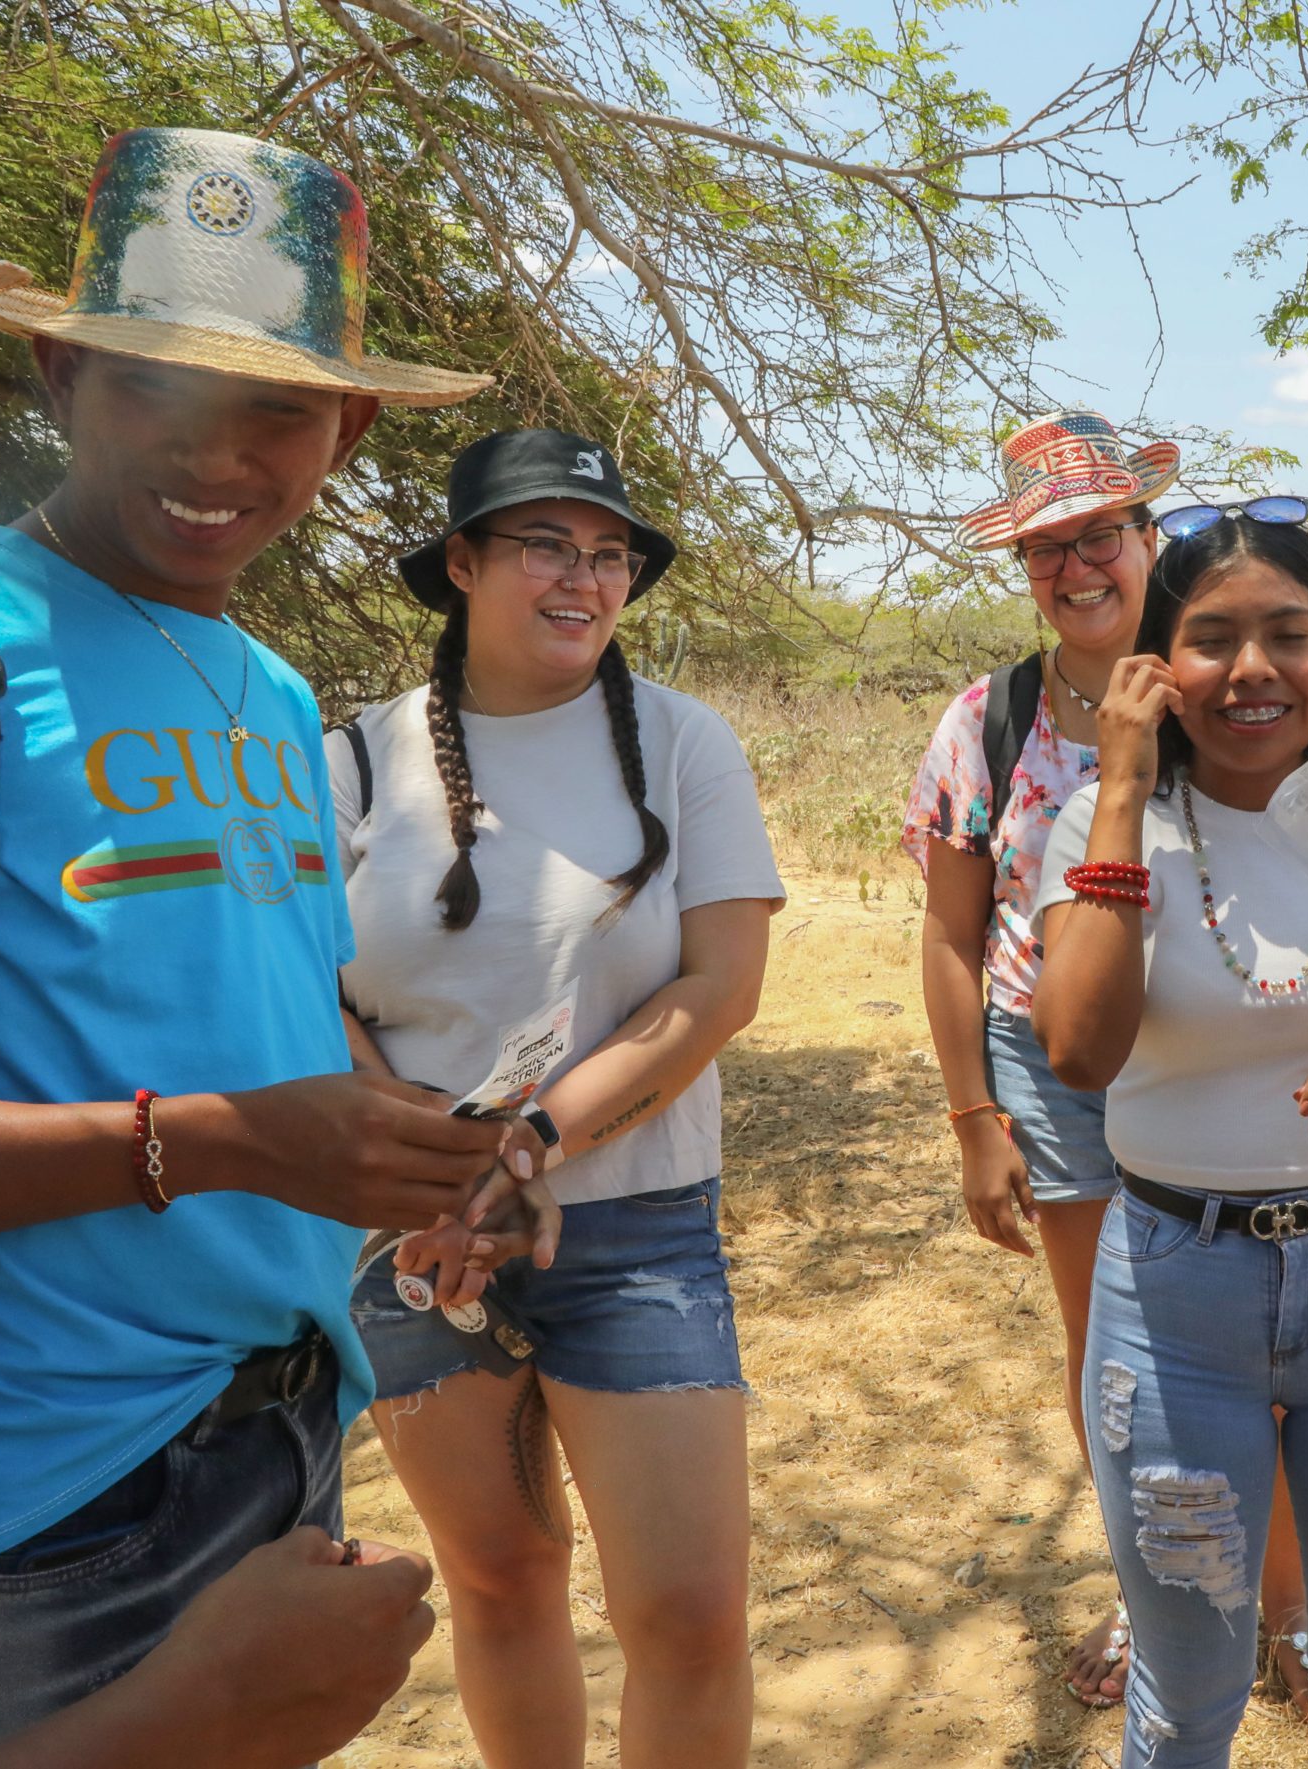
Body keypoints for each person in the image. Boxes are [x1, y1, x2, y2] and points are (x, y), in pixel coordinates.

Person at [0, 129, 509, 1757]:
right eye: (155, 388)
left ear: (349, 427)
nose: (216, 454)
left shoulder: (277, 691)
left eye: (278, 408)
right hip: (33, 1502)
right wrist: (217, 1145)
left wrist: (425, 1161)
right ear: (57, 373)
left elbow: (277, 1020)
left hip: (288, 1416)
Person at [330, 427, 783, 1769]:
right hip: (412, 1241)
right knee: (502, 1579)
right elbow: (309, 992)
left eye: (608, 554)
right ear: (461, 563)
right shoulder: (353, 761)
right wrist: (427, 1170)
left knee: (688, 1613)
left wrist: (530, 1147)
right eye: (544, 545)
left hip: (633, 1228)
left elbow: (719, 989)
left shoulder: (685, 747)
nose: (583, 578)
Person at [1028, 506, 1308, 1768]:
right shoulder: (1111, 827)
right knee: (1188, 1687)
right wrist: (1116, 786)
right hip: (1177, 1296)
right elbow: (1078, 1049)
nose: (1252, 670)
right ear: (1154, 665)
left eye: (1288, 634)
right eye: (1209, 639)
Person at [906, 413, 1308, 1715]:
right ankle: (1163, 1607)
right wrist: (976, 1117)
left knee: (1266, 1348)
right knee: (1117, 1369)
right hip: (1057, 1071)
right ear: (1022, 569)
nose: (1079, 565)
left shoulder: (1224, 690)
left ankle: (1293, 1609)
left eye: (1102, 534)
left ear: (1151, 538)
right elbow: (951, 934)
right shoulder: (990, 724)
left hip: (1223, 1069)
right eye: (1048, 547)